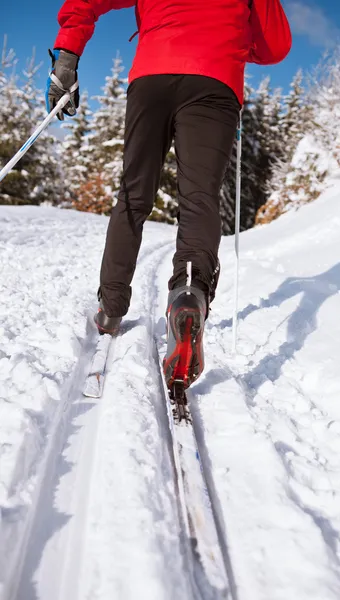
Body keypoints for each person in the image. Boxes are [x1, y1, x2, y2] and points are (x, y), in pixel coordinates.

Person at [47, 0, 292, 393]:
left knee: (133, 195)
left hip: (153, 74)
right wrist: (231, 43)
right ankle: (189, 292)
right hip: (216, 80)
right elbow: (277, 45)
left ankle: (110, 309)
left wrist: (67, 57)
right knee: (199, 198)